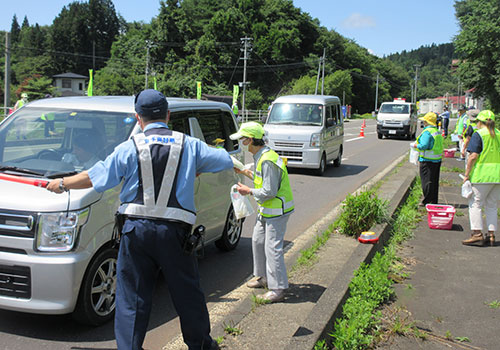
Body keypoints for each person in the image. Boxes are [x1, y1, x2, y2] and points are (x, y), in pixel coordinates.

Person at [47, 89, 232, 350]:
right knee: (187, 293)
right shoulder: (188, 145)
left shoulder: (129, 147)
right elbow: (224, 159)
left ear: (138, 117)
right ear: (167, 115)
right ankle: (200, 345)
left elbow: (96, 177)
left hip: (136, 231)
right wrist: (193, 169)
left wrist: (63, 183)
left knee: (132, 297)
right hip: (176, 234)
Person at [230, 122, 294, 303]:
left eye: (242, 139)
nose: (240, 142)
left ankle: (278, 288)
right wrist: (243, 171)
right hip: (267, 208)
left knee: (273, 248)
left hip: (277, 209)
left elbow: (269, 191)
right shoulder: (261, 155)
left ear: (250, 140)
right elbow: (261, 179)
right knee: (258, 240)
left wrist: (248, 191)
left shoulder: (267, 160)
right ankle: (263, 277)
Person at [461, 110, 500, 247]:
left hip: (482, 175)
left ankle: (477, 234)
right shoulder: (499, 134)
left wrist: (466, 175)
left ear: (480, 122)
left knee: (475, 204)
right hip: (497, 176)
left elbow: (473, 156)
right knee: (492, 205)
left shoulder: (479, 134)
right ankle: (491, 234)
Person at [412, 112, 443, 206]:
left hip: (427, 159)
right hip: (437, 159)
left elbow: (424, 146)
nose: (423, 122)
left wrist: (415, 145)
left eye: (424, 121)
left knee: (426, 181)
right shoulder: (436, 131)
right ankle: (433, 200)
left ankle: (427, 201)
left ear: (427, 122)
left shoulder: (427, 132)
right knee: (434, 181)